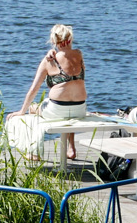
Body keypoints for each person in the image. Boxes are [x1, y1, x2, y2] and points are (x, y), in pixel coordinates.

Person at [12, 24, 87, 161]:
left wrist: (22, 110)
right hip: (79, 108)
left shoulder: (48, 61)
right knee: (69, 112)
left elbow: (34, 89)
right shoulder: (79, 55)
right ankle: (71, 148)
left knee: (33, 108)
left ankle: (34, 152)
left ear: (53, 41)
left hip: (57, 109)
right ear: (70, 39)